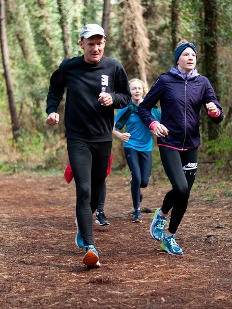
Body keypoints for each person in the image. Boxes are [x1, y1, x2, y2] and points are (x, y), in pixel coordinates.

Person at [46, 24, 130, 268]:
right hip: (77, 137)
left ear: (104, 43)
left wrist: (112, 99)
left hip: (103, 137)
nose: (95, 47)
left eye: (99, 43)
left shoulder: (114, 67)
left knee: (96, 188)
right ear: (81, 44)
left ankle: (83, 225)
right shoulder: (69, 67)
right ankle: (90, 246)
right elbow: (55, 89)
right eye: (90, 43)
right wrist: (52, 110)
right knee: (83, 189)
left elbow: (125, 96)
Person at [138, 40, 223, 255]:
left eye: (193, 54)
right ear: (178, 59)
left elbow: (217, 114)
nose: (190, 57)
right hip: (169, 142)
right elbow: (144, 107)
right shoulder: (165, 81)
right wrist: (154, 124)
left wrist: (215, 111)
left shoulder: (203, 83)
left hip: (191, 144)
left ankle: (170, 237)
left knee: (184, 194)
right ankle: (162, 213)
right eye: (185, 54)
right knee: (181, 188)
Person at [113, 78, 161, 223]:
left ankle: (136, 187)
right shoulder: (126, 108)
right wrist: (120, 135)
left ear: (143, 91)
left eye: (139, 88)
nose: (136, 91)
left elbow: (163, 123)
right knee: (137, 178)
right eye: (133, 89)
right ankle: (136, 212)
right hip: (131, 146)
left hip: (146, 147)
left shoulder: (151, 108)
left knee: (144, 181)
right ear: (130, 92)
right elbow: (113, 127)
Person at [64, 156, 113, 226]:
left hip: (99, 151)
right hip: (84, 153)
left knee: (101, 180)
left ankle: (100, 213)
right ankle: (82, 214)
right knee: (85, 185)